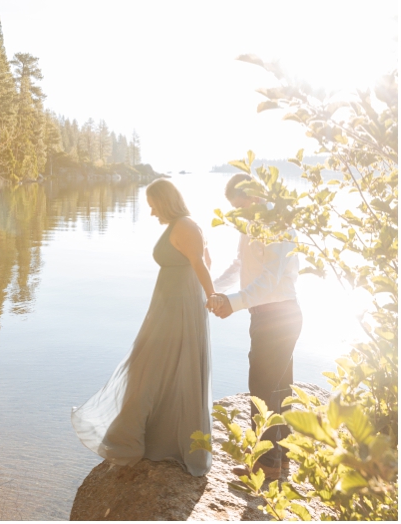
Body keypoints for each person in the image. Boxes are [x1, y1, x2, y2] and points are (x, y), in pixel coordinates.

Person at [72, 178, 214, 476]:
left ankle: (149, 440)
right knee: (150, 368)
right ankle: (147, 436)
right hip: (167, 308)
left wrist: (211, 298)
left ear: (165, 201)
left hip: (178, 311)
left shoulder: (185, 226)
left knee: (153, 367)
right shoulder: (180, 226)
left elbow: (201, 264)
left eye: (153, 206)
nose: (151, 213)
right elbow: (203, 261)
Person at [208, 172, 301, 482]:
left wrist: (232, 303)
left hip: (279, 316)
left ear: (256, 194)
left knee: (263, 390)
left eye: (242, 205)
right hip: (264, 316)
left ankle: (266, 465)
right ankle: (278, 461)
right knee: (276, 389)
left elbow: (270, 281)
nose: (239, 213)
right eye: (235, 208)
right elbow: (240, 264)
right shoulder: (252, 225)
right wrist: (211, 290)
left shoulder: (276, 223)